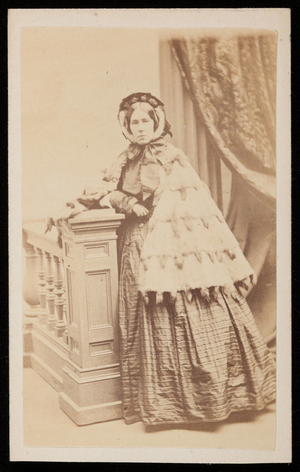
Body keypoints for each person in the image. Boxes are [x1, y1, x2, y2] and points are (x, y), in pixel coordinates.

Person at [47, 92, 276, 426]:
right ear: (126, 126)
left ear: (156, 122)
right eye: (133, 122)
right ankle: (160, 403)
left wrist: (155, 211)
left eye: (145, 121)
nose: (140, 128)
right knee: (143, 309)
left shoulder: (172, 157)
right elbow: (104, 188)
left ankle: (210, 398)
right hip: (136, 239)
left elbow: (190, 201)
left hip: (175, 244)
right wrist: (126, 204)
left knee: (191, 306)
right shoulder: (123, 157)